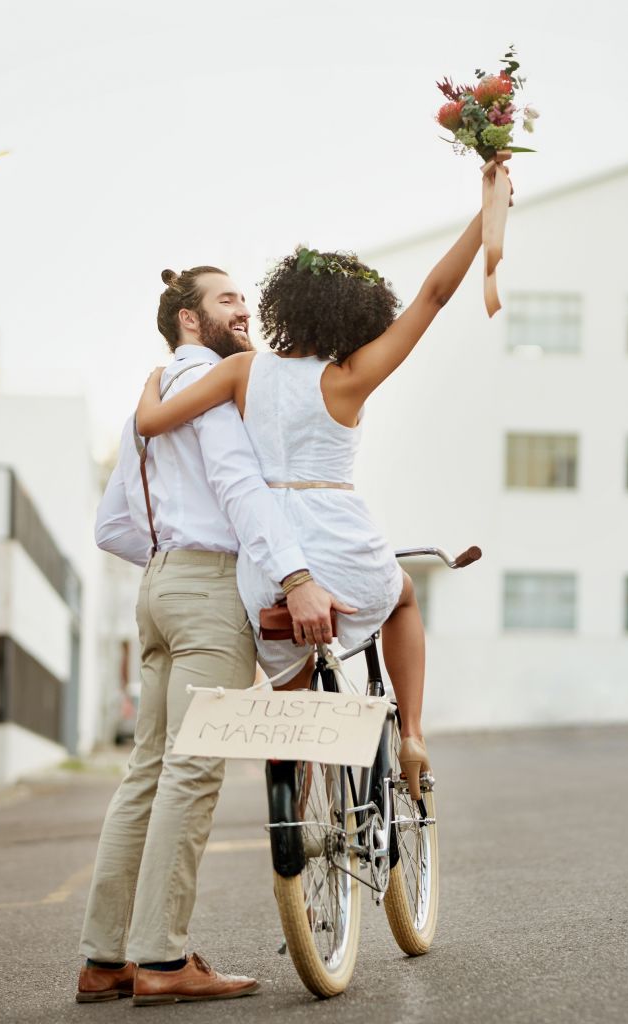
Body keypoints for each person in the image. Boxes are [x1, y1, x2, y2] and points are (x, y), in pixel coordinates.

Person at [134, 161, 510, 801]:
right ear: (355, 318)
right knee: (404, 597)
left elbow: (152, 423)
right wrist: (489, 213)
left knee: (292, 694)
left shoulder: (243, 372)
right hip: (340, 537)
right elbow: (435, 295)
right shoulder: (351, 377)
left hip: (269, 557)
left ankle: (299, 820)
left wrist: (154, 377)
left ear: (286, 306)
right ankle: (413, 732)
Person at [77, 265, 351, 1006]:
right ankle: (163, 962)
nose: (245, 309)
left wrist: (173, 560)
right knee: (193, 772)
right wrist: (295, 578)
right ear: (188, 319)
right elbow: (239, 485)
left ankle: (107, 960)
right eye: (227, 298)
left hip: (158, 587)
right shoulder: (220, 381)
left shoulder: (158, 392)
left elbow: (112, 527)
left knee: (147, 773)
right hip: (203, 593)